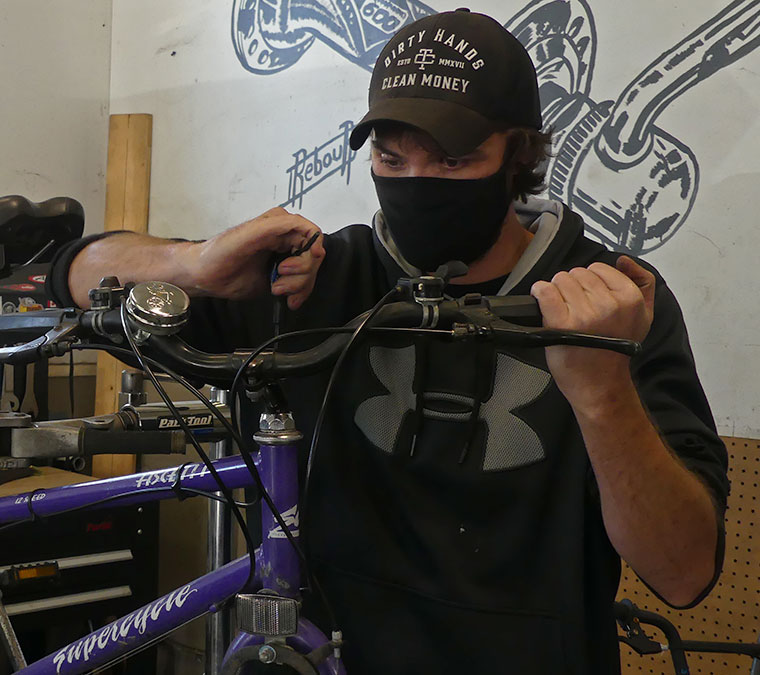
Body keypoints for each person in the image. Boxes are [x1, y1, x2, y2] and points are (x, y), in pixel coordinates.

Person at [45, 9, 727, 674]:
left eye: (456, 160)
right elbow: (72, 274)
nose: (415, 185)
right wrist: (190, 264)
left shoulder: (610, 302)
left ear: (519, 156)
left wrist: (603, 394)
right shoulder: (314, 283)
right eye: (390, 157)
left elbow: (684, 570)